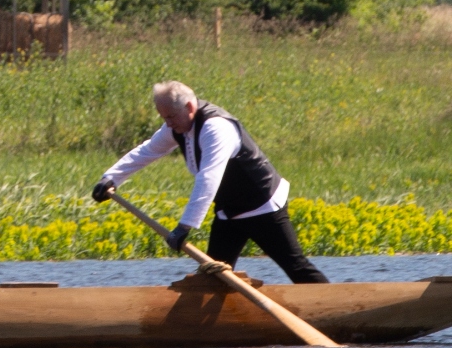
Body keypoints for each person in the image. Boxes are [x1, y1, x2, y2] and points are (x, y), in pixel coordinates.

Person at [90, 81, 329, 284]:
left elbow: (209, 176)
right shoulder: (177, 125)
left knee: (295, 266)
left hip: (262, 205)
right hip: (229, 212)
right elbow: (148, 150)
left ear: (190, 107)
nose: (168, 124)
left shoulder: (217, 127)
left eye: (171, 117)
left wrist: (185, 226)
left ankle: (334, 307)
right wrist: (111, 177)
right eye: (164, 118)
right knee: (213, 277)